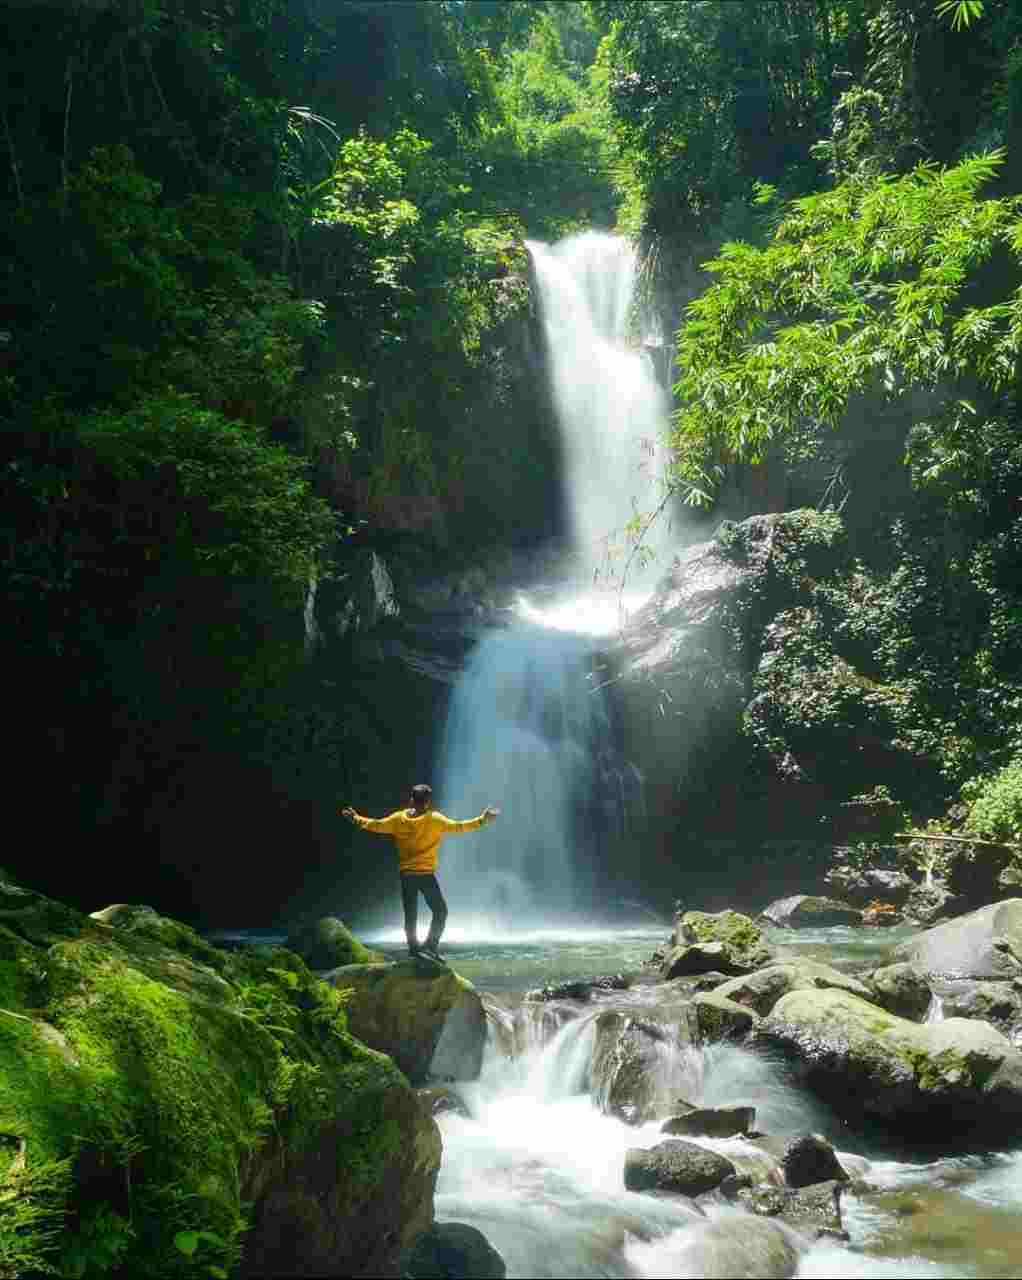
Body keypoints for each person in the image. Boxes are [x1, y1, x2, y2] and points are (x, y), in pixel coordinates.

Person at [341, 784, 499, 960]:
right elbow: (459, 827)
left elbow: (376, 825)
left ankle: (414, 950)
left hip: (407, 875)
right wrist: (482, 820)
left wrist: (356, 818)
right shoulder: (435, 820)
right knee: (440, 911)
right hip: (425, 875)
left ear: (411, 799)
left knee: (411, 914)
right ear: (428, 802)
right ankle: (430, 946)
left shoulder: (398, 819)